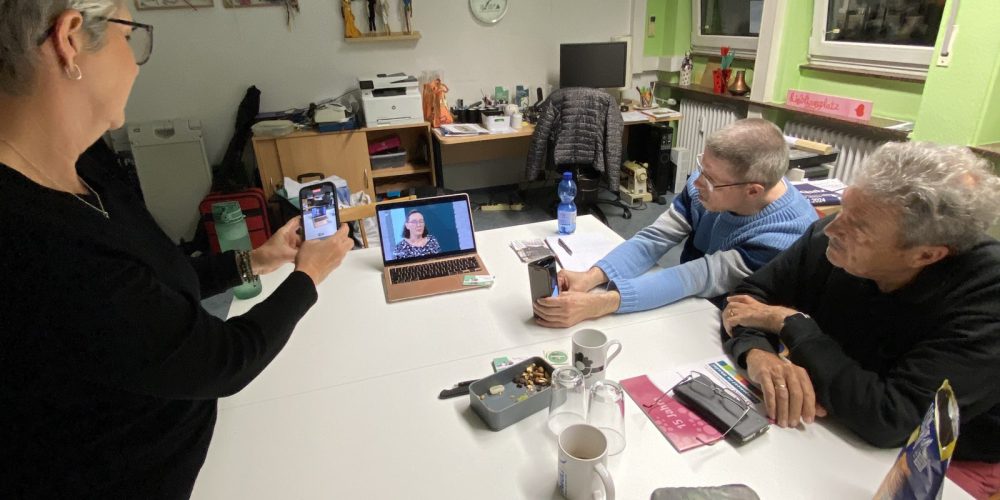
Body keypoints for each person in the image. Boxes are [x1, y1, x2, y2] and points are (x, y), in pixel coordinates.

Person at [0, 1, 354, 497]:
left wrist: (253, 259)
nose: (135, 60)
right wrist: (308, 276)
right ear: (70, 39)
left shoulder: (89, 164)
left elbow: (145, 288)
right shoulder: (33, 243)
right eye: (130, 35)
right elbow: (224, 361)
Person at [722, 142, 1000, 498]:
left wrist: (790, 323)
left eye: (858, 228)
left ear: (926, 255)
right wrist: (757, 355)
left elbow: (892, 419)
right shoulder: (834, 237)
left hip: (947, 458)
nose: (832, 228)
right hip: (837, 411)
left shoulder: (986, 299)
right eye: (844, 208)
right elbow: (748, 298)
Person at [534, 119, 818, 328]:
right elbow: (653, 240)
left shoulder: (781, 235)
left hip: (731, 324)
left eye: (710, 179)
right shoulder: (707, 187)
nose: (696, 184)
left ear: (753, 190)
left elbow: (695, 278)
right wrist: (592, 276)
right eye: (701, 168)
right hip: (693, 302)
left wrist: (600, 303)